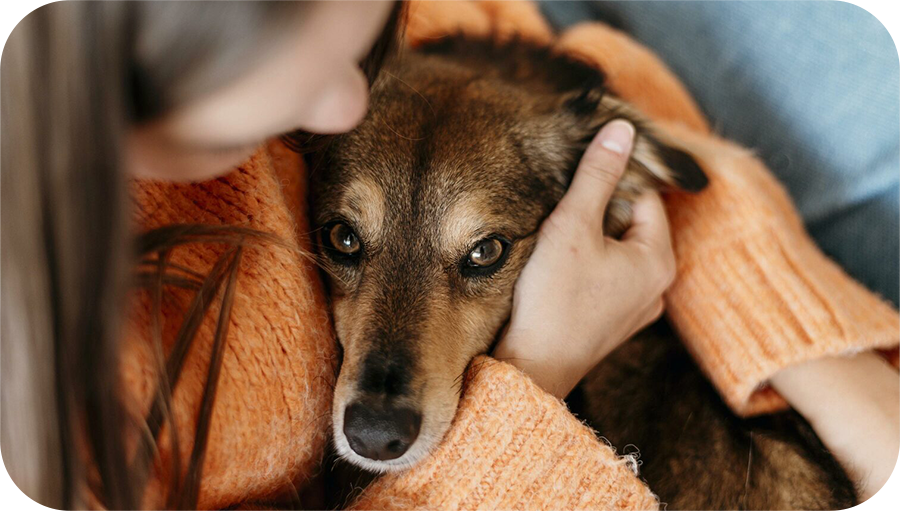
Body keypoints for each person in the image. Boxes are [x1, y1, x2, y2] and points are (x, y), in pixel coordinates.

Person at [1, 1, 896, 509]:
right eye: (344, 240)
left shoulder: (334, 60)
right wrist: (538, 367)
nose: (348, 104)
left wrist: (818, 362)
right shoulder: (66, 425)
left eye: (365, 41)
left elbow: (563, 57)